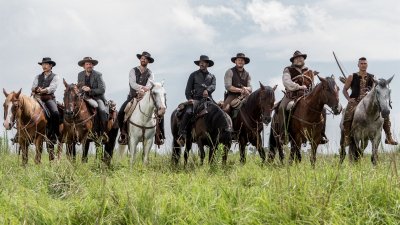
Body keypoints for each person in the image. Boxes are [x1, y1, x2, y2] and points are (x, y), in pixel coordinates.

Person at [276, 50, 328, 144]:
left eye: (301, 57)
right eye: (297, 58)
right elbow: (286, 82)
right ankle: (284, 134)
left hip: (306, 96)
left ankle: (321, 135)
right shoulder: (288, 69)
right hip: (291, 95)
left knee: (323, 109)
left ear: (304, 59)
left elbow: (312, 85)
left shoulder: (309, 71)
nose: (299, 59)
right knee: (282, 108)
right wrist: (298, 87)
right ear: (293, 60)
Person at [342, 57, 397, 145]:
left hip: (369, 102)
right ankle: (347, 137)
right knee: (347, 115)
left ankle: (389, 137)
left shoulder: (373, 77)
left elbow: (376, 90)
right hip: (355, 101)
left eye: (365, 64)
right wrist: (349, 99)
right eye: (361, 64)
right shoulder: (351, 76)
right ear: (358, 65)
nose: (363, 65)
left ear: (367, 65)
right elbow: (344, 90)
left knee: (385, 113)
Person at [177, 55, 216, 145]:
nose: (201, 64)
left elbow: (213, 86)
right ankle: (182, 134)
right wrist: (190, 99)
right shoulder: (193, 75)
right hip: (196, 100)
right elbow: (187, 90)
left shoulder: (212, 76)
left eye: (203, 62)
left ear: (207, 64)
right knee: (188, 112)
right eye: (200, 62)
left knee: (219, 112)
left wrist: (207, 90)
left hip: (209, 100)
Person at [118, 51, 155, 145]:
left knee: (158, 113)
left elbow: (150, 85)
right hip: (133, 97)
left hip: (145, 98)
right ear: (140, 59)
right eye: (142, 58)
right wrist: (142, 88)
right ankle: (123, 133)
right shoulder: (133, 70)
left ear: (148, 61)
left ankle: (159, 134)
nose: (143, 59)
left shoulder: (150, 73)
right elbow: (132, 84)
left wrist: (144, 90)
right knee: (121, 112)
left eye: (145, 58)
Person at [77, 56, 108, 140]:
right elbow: (78, 87)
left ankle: (103, 132)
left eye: (90, 64)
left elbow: (102, 89)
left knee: (101, 110)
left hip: (97, 97)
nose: (89, 65)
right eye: (87, 64)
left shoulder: (98, 74)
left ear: (93, 65)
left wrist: (90, 90)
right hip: (84, 97)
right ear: (84, 66)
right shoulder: (80, 75)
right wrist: (81, 89)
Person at [31, 57, 61, 141]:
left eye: (46, 64)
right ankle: (18, 134)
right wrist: (36, 89)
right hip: (37, 98)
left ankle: (55, 134)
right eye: (43, 64)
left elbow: (52, 88)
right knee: (23, 108)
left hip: (48, 98)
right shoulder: (38, 76)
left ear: (51, 65)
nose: (44, 66)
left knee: (55, 113)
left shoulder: (55, 76)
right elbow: (33, 87)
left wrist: (43, 90)